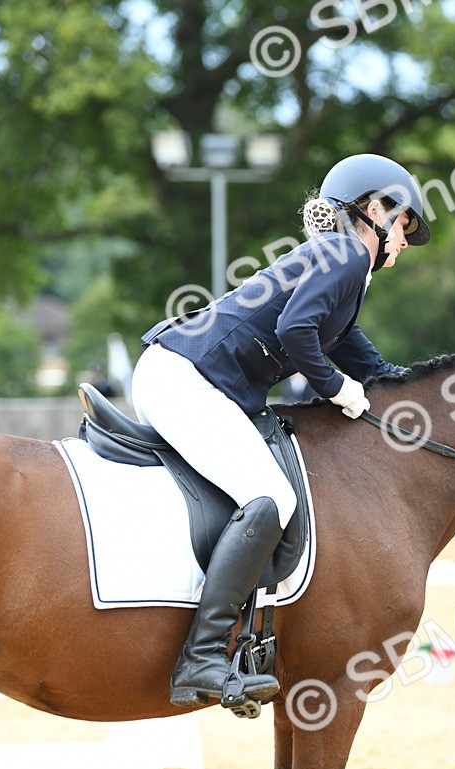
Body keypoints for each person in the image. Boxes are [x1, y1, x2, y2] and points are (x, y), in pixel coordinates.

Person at [131, 153, 431, 708]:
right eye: (404, 225)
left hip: (184, 374)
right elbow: (297, 331)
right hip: (186, 379)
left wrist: (402, 386)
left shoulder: (342, 266)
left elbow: (352, 347)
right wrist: (338, 389)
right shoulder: (345, 255)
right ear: (373, 210)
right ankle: (201, 658)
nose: (405, 241)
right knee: (271, 496)